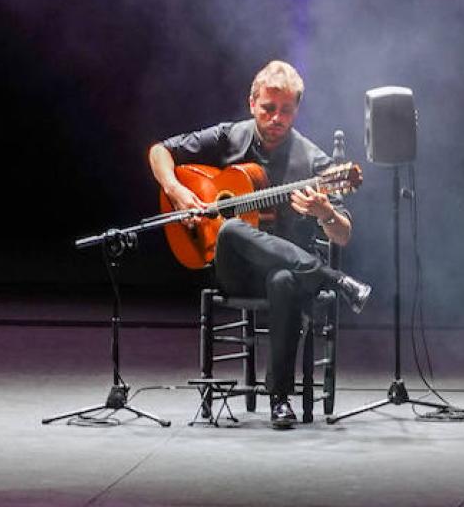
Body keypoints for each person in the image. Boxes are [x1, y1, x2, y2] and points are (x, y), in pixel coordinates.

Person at [149, 60, 373, 428]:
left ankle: (279, 399)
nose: (277, 118)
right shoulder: (230, 136)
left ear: (296, 110)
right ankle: (334, 279)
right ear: (252, 103)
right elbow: (160, 151)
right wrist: (176, 192)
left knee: (283, 280)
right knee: (232, 230)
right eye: (268, 108)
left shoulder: (314, 161)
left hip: (288, 273)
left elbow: (343, 233)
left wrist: (324, 213)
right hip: (235, 269)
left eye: (286, 110)